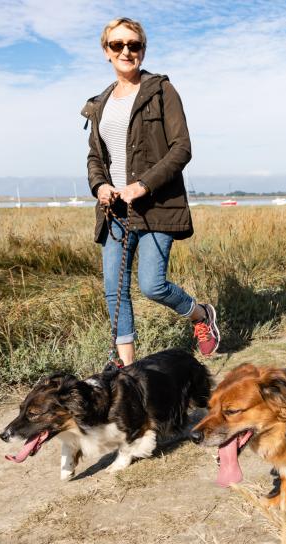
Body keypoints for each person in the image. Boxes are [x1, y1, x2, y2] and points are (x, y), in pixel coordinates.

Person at [81, 17, 220, 364]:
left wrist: (143, 185)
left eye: (134, 45)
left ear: (143, 49)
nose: (126, 51)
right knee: (114, 291)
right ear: (106, 52)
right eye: (118, 45)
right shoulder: (99, 103)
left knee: (152, 285)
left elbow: (181, 148)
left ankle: (201, 315)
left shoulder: (162, 91)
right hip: (113, 210)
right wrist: (100, 186)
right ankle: (127, 368)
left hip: (157, 206)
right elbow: (95, 156)